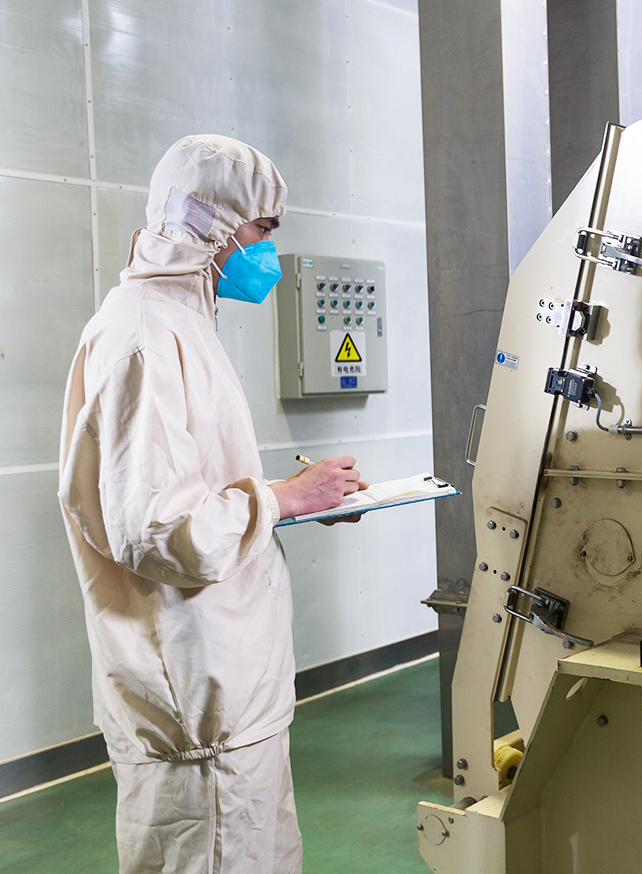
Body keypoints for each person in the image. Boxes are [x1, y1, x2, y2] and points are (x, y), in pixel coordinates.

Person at [58, 135, 366, 874]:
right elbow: (157, 530)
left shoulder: (181, 323)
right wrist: (281, 499)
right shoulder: (144, 336)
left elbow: (193, 494)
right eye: (263, 228)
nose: (268, 250)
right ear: (211, 221)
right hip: (197, 713)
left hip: (231, 701)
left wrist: (295, 503)